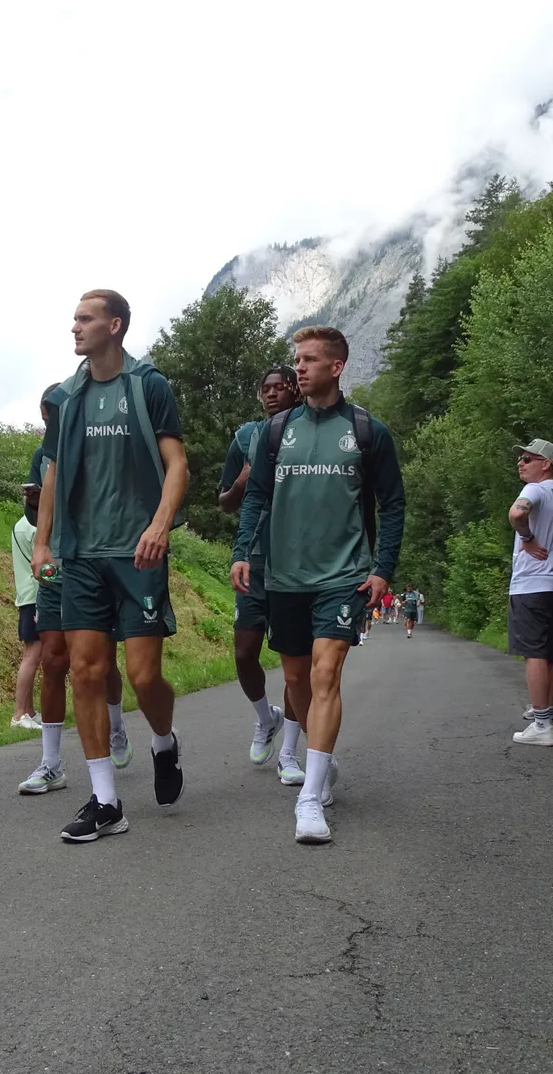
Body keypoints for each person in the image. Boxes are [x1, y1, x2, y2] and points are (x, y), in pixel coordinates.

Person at [232, 326, 406, 844]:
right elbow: (257, 497)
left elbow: (392, 504)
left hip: (344, 576)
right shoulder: (275, 431)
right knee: (298, 682)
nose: (299, 368)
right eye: (297, 360)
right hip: (283, 576)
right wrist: (243, 552)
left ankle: (309, 798)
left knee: (326, 673)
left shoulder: (367, 431)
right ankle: (320, 763)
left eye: (309, 360)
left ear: (336, 367)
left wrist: (382, 568)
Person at [32, 289, 188, 843]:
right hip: (80, 555)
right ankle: (105, 801)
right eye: (74, 318)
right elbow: (51, 473)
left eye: (85, 318)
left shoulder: (147, 386)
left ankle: (164, 742)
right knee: (87, 673)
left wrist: (159, 524)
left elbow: (177, 464)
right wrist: (43, 543)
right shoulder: (67, 397)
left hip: (138, 551)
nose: (74, 327)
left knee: (144, 677)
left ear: (115, 326)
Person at [17, 385, 128, 798]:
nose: (51, 425)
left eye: (55, 416)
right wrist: (34, 502)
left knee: (101, 663)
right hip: (56, 566)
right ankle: (50, 764)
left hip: (99, 562)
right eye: (46, 418)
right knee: (53, 659)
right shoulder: (43, 455)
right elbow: (36, 511)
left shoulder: (105, 441)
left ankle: (116, 726)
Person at [217, 363, 303, 778]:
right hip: (255, 557)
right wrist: (243, 481)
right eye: (265, 388)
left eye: (280, 387)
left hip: (299, 559)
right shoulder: (245, 437)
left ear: (296, 390)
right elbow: (225, 501)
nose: (271, 394)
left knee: (293, 659)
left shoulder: (309, 430)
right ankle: (264, 718)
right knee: (244, 651)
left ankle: (289, 752)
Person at [507, 439, 553, 748]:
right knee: (549, 653)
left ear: (545, 464)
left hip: (532, 583)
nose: (520, 464)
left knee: (534, 652)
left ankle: (541, 724)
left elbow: (517, 513)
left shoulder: (535, 490)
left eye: (527, 459)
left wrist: (527, 538)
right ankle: (548, 719)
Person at [9, 482, 43, 731]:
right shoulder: (31, 527)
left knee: (32, 653)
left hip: (28, 595)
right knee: (33, 654)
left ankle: (29, 710)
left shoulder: (23, 525)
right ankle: (19, 714)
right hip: (34, 596)